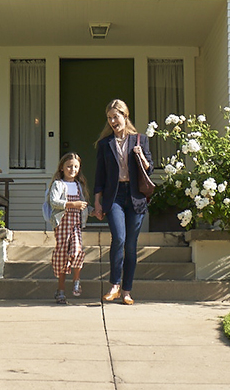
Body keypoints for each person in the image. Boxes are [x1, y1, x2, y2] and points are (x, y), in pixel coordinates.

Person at [94, 99, 153, 305]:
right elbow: (99, 176)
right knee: (118, 238)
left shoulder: (140, 140)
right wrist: (98, 202)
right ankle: (114, 286)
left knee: (130, 244)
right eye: (109, 118)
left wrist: (141, 157)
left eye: (115, 117)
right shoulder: (105, 144)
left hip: (135, 196)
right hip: (115, 196)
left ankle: (127, 291)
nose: (112, 121)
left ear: (125, 116)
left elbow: (149, 168)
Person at [47, 152, 92, 304]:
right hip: (62, 224)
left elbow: (83, 205)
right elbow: (54, 202)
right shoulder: (58, 184)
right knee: (62, 256)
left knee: (77, 250)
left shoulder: (79, 186)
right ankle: (60, 290)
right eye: (69, 166)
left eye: (75, 167)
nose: (72, 169)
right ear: (62, 168)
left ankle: (76, 280)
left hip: (76, 225)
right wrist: (73, 204)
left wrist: (93, 211)